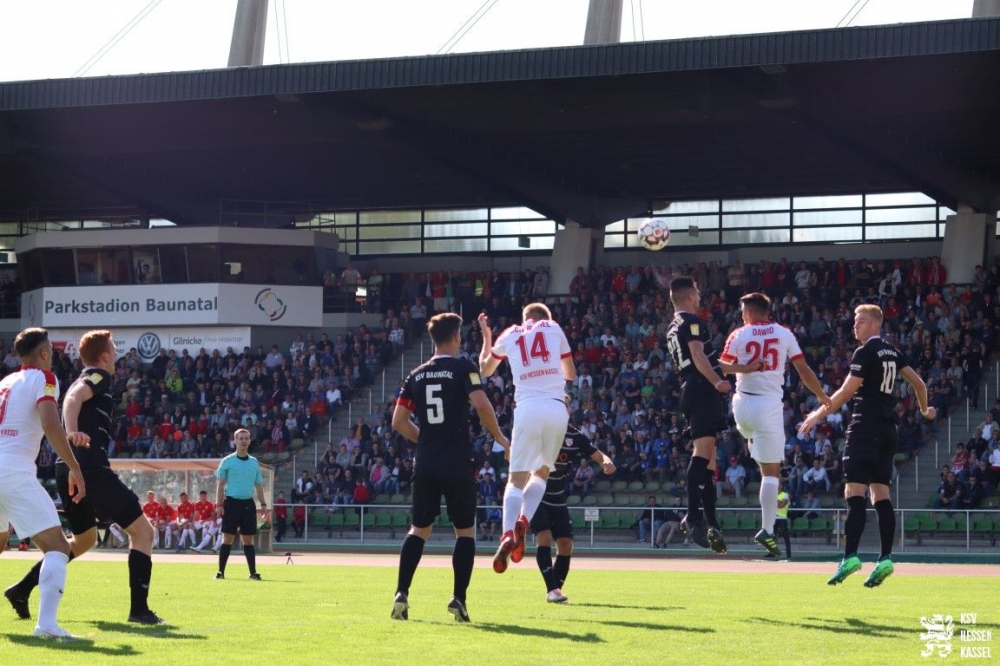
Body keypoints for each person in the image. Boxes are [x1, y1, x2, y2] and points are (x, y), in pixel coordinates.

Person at [5, 330, 164, 626]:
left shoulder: (73, 378)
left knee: (84, 540)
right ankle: (139, 611)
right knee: (144, 532)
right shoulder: (97, 376)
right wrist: (73, 431)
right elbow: (73, 398)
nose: (116, 354)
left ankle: (21, 589)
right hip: (88, 468)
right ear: (104, 355)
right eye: (113, 349)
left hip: (65, 467)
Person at [799, 304, 936, 588]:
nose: (855, 325)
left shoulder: (865, 352)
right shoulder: (893, 352)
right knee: (881, 494)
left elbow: (846, 392)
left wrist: (817, 414)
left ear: (875, 325)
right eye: (855, 321)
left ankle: (850, 556)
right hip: (888, 430)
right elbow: (920, 384)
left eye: (861, 321)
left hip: (865, 427)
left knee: (854, 492)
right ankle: (885, 558)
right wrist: (925, 410)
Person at [391, 313, 509, 623]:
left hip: (426, 461)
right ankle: (459, 599)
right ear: (456, 337)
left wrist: (426, 439)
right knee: (464, 531)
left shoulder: (415, 375)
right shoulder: (463, 367)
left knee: (419, 529)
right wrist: (501, 438)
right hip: (456, 461)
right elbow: (481, 405)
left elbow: (398, 421)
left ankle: (401, 593)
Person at [719, 291, 831, 558]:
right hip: (767, 406)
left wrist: (746, 369)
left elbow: (722, 366)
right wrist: (821, 396)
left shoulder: (738, 334)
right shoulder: (784, 333)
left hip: (740, 405)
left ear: (749, 312)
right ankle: (767, 530)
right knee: (771, 475)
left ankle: (752, 440)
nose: (741, 316)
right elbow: (803, 370)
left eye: (742, 312)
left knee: (755, 444)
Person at [0, 327, 89, 639]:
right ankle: (47, 626)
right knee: (58, 548)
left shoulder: (5, 382)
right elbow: (50, 423)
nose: (52, 356)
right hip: (13, 471)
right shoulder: (45, 378)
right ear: (43, 353)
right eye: (50, 351)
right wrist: (75, 467)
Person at [477, 303, 575, 574]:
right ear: (545, 318)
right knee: (541, 473)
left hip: (527, 408)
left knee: (516, 479)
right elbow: (570, 373)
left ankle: (508, 532)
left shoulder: (510, 333)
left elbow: (485, 370)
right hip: (556, 407)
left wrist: (486, 335)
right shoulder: (554, 328)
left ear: (525, 319)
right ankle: (523, 521)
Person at [665, 277, 730, 554]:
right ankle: (692, 516)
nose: (701, 297)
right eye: (698, 293)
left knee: (709, 461)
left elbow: (709, 360)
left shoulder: (672, 326)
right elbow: (698, 356)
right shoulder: (692, 322)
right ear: (690, 295)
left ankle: (712, 523)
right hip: (702, 388)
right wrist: (717, 382)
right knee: (702, 453)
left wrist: (746, 368)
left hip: (692, 387)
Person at [531, 406, 615, 603]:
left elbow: (598, 455)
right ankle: (552, 589)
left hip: (558, 496)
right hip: (537, 494)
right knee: (544, 537)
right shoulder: (538, 431)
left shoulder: (576, 436)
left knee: (566, 545)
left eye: (566, 405)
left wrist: (606, 461)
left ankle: (555, 590)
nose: (562, 408)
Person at [214, 429, 267, 580]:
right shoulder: (227, 461)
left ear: (249, 441)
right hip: (231, 503)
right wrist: (219, 505)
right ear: (235, 441)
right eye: (241, 438)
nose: (244, 441)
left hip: (248, 504)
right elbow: (220, 485)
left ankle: (253, 573)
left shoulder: (254, 462)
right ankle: (220, 572)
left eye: (246, 438)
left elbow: (259, 486)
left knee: (248, 539)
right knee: (227, 538)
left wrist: (263, 504)